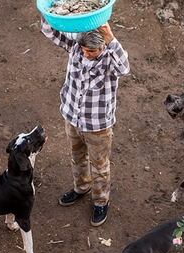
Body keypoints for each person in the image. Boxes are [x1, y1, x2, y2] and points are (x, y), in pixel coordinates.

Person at [41, 18, 130, 226]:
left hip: (98, 126)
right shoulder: (75, 47)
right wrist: (48, 12)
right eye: (84, 50)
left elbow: (124, 68)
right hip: (72, 117)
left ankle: (100, 201)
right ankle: (81, 187)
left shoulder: (110, 58)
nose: (86, 54)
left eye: (91, 51)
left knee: (99, 166)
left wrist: (111, 38)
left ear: (103, 45)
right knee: (77, 156)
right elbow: (50, 31)